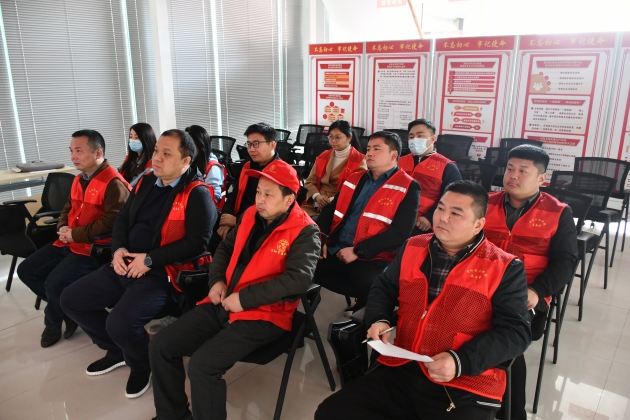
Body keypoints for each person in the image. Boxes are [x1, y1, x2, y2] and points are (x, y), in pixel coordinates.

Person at [315, 180, 532, 420]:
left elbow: (516, 332)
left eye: (455, 213)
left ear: (478, 224)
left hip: (463, 380)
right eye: (440, 208)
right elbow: (384, 287)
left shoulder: (505, 267)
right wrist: (379, 319)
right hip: (402, 364)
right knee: (330, 413)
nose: (443, 218)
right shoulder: (413, 246)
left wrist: (460, 361)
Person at [149, 160, 320, 420]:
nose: (259, 199)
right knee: (161, 345)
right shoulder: (251, 215)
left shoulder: (305, 231)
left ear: (289, 200)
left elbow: (297, 280)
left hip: (265, 313)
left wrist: (245, 299)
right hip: (225, 300)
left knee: (201, 367)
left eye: (268, 194)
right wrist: (216, 280)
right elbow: (225, 248)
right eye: (258, 191)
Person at [60, 129, 216, 399]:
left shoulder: (197, 193)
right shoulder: (147, 181)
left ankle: (142, 363)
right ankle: (118, 351)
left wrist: (150, 259)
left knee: (120, 323)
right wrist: (118, 250)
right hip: (126, 261)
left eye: (166, 154)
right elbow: (122, 219)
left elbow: (197, 243)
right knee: (72, 300)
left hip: (162, 272)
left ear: (186, 161)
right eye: (156, 151)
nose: (157, 158)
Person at [483, 145, 578, 420]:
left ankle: (512, 414)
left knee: (505, 339)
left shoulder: (558, 212)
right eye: (509, 168)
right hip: (478, 284)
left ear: (542, 178)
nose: (513, 175)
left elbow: (565, 262)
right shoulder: (484, 202)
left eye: (523, 171)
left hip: (526, 295)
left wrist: (537, 291)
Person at [17, 130, 130, 348]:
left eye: (79, 151)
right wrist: (62, 226)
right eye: (71, 151)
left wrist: (74, 234)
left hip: (91, 248)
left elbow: (113, 224)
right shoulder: (79, 178)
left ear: (98, 153)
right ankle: (67, 311)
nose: (73, 157)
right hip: (68, 242)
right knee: (26, 271)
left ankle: (52, 323)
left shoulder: (113, 183)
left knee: (54, 283)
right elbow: (68, 207)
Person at [314, 131, 420, 314]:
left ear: (393, 155)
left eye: (376, 149)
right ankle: (299, 318)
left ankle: (360, 319)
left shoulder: (408, 186)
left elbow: (400, 233)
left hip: (372, 256)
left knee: (374, 285)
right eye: (368, 148)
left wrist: (357, 251)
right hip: (334, 247)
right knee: (300, 264)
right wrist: (321, 238)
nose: (369, 153)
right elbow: (329, 210)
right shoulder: (355, 178)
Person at [214, 122, 281, 241]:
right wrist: (225, 220)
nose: (251, 149)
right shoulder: (247, 166)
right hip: (235, 221)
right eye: (249, 144)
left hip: (260, 229)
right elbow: (234, 195)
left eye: (256, 144)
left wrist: (237, 221)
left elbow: (273, 214)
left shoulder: (282, 172)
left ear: (272, 145)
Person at [398, 119, 461, 234]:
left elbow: (454, 198)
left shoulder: (447, 166)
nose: (414, 140)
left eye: (420, 136)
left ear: (433, 139)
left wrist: (429, 217)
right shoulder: (399, 162)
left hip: (423, 223)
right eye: (411, 136)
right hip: (394, 217)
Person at [302, 119, 366, 216]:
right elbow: (310, 182)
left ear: (349, 138)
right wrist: (317, 197)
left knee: (318, 223)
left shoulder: (359, 160)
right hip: (316, 202)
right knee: (294, 219)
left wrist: (331, 201)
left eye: (337, 137)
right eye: (330, 136)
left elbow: (356, 190)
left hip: (340, 204)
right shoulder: (323, 156)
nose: (333, 141)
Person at [185, 124, 225, 205]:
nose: (186, 147)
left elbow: (214, 196)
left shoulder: (213, 167)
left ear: (200, 145)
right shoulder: (188, 161)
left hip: (203, 207)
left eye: (190, 144)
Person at [119, 123, 157, 187]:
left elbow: (134, 185)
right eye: (131, 137)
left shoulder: (153, 163)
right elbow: (118, 174)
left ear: (147, 139)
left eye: (136, 137)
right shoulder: (130, 158)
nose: (132, 140)